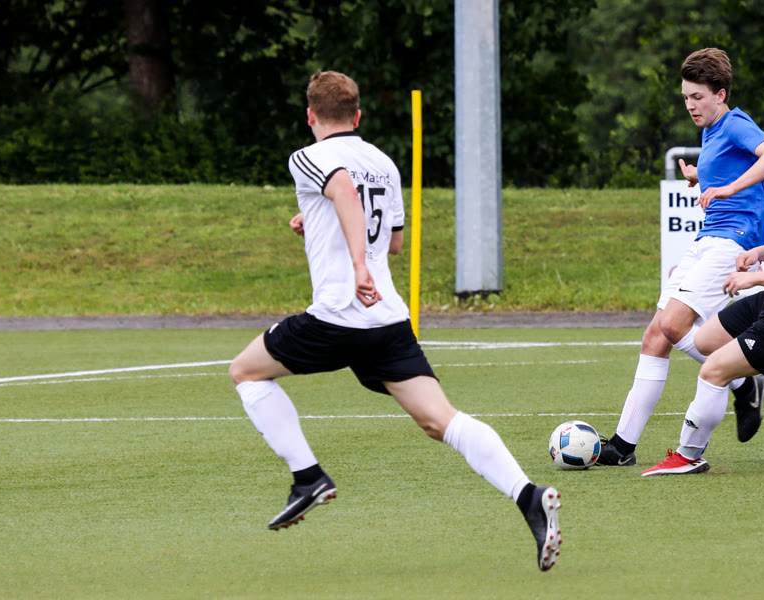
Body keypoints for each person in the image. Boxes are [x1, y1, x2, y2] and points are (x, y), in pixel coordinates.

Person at [226, 71, 563, 571]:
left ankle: (308, 477)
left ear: (310, 115)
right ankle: (528, 496)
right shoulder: (382, 161)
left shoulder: (307, 156)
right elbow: (394, 241)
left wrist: (357, 264)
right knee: (440, 420)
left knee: (246, 372)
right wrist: (317, 224)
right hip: (387, 320)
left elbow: (343, 191)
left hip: (340, 315)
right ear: (358, 116)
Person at [599, 48, 764, 468]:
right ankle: (623, 446)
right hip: (708, 237)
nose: (690, 105)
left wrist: (728, 189)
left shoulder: (735, 122)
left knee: (672, 325)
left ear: (720, 94)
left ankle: (745, 383)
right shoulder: (711, 129)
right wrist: (700, 176)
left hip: (735, 239)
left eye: (697, 97)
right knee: (655, 336)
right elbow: (726, 167)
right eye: (686, 97)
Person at [640, 124, 764, 476]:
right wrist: (759, 253)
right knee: (705, 341)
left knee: (713, 371)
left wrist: (754, 277)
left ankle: (689, 455)